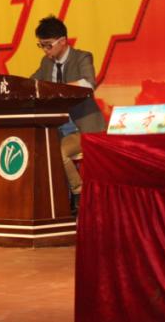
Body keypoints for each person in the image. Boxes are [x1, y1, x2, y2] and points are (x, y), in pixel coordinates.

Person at [29, 15, 106, 204]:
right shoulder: (46, 63)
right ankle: (57, 201)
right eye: (41, 45)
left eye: (48, 45)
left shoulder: (82, 57)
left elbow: (88, 84)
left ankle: (78, 192)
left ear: (62, 41)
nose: (45, 50)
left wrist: (56, 89)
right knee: (38, 151)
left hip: (82, 129)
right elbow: (32, 83)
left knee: (57, 152)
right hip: (56, 128)